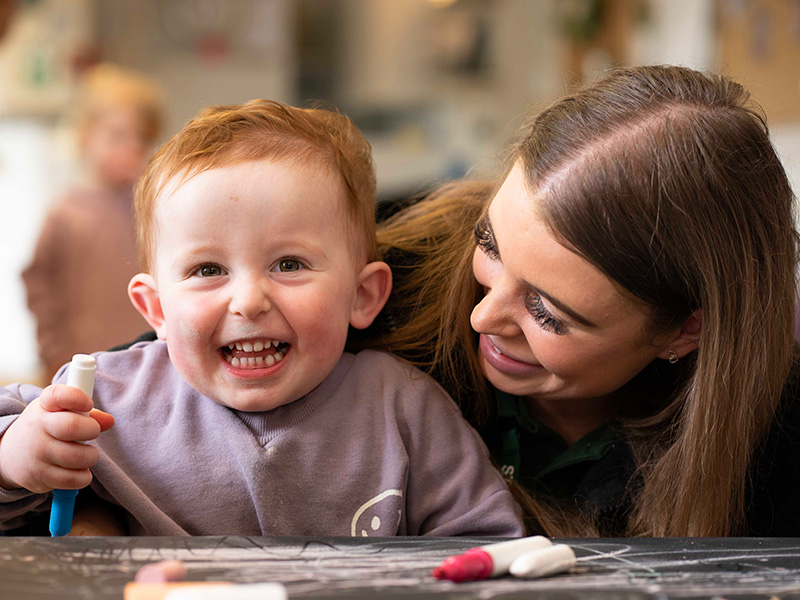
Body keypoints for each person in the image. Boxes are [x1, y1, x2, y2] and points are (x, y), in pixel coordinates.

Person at [0, 99, 524, 537]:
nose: (249, 301)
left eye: (289, 264)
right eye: (208, 269)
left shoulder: (405, 408)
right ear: (156, 308)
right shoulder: (104, 399)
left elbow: (488, 541)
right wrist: (15, 457)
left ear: (363, 295)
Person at [370, 65, 800, 537]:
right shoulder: (378, 299)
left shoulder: (778, 443)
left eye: (545, 311)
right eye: (489, 245)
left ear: (685, 331)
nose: (482, 317)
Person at [22, 63, 164, 385]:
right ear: (86, 134)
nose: (131, 147)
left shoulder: (153, 206)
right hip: (82, 364)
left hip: (147, 361)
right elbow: (39, 289)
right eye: (117, 135)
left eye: (141, 139)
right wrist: (53, 354)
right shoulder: (65, 213)